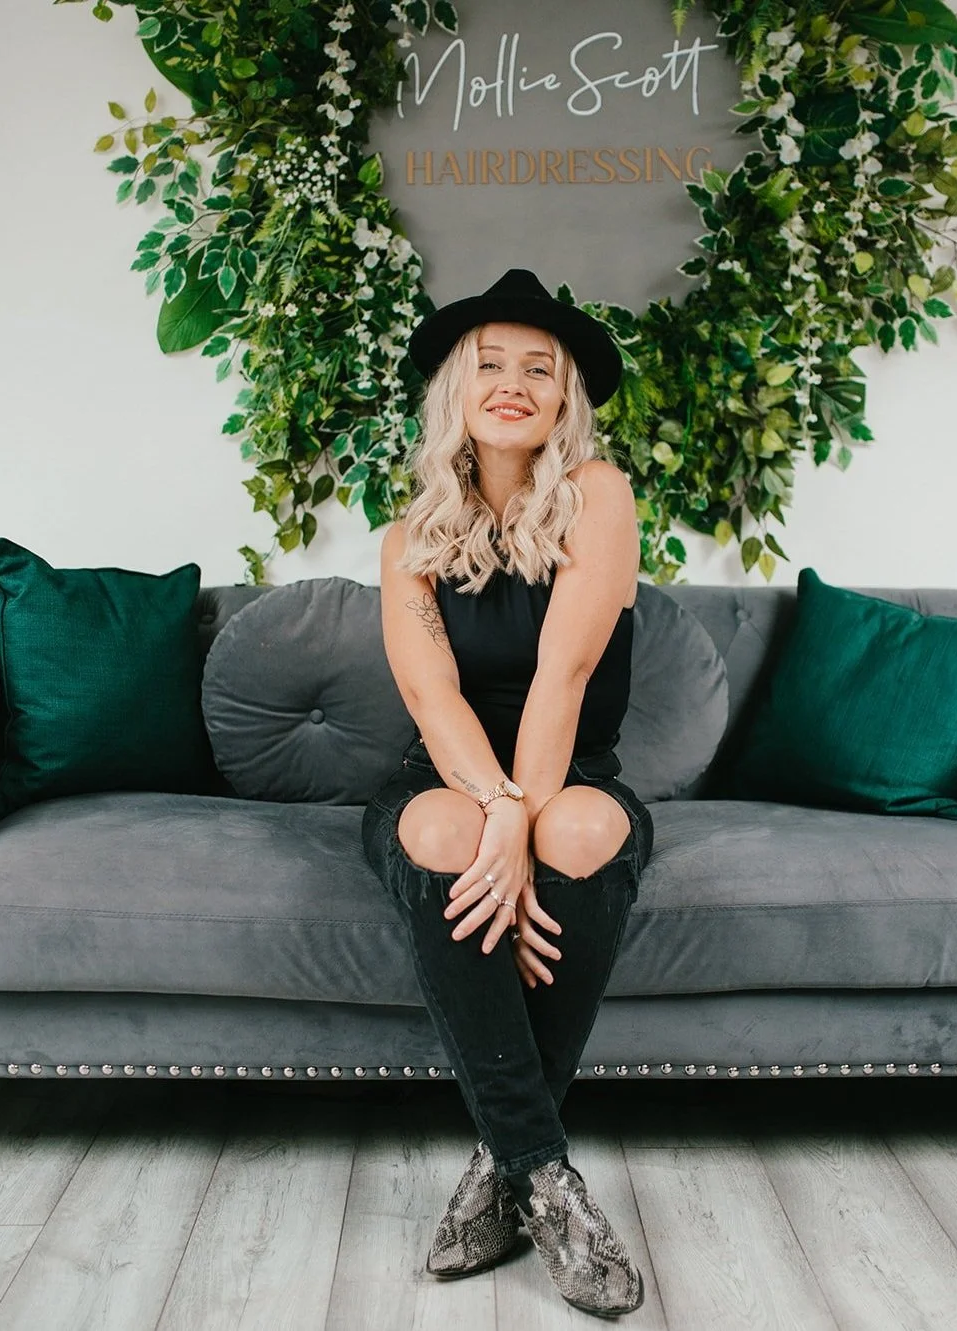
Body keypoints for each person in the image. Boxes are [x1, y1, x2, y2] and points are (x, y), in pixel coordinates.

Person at [361, 268, 654, 1318]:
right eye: (489, 364)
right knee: (447, 833)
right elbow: (430, 696)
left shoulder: (599, 495)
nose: (513, 384)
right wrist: (495, 815)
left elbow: (561, 677)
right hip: (447, 783)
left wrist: (523, 822)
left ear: (564, 395)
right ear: (457, 388)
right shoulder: (409, 536)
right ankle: (543, 1173)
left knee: (579, 826)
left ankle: (500, 1166)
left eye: (539, 367)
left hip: (568, 772)